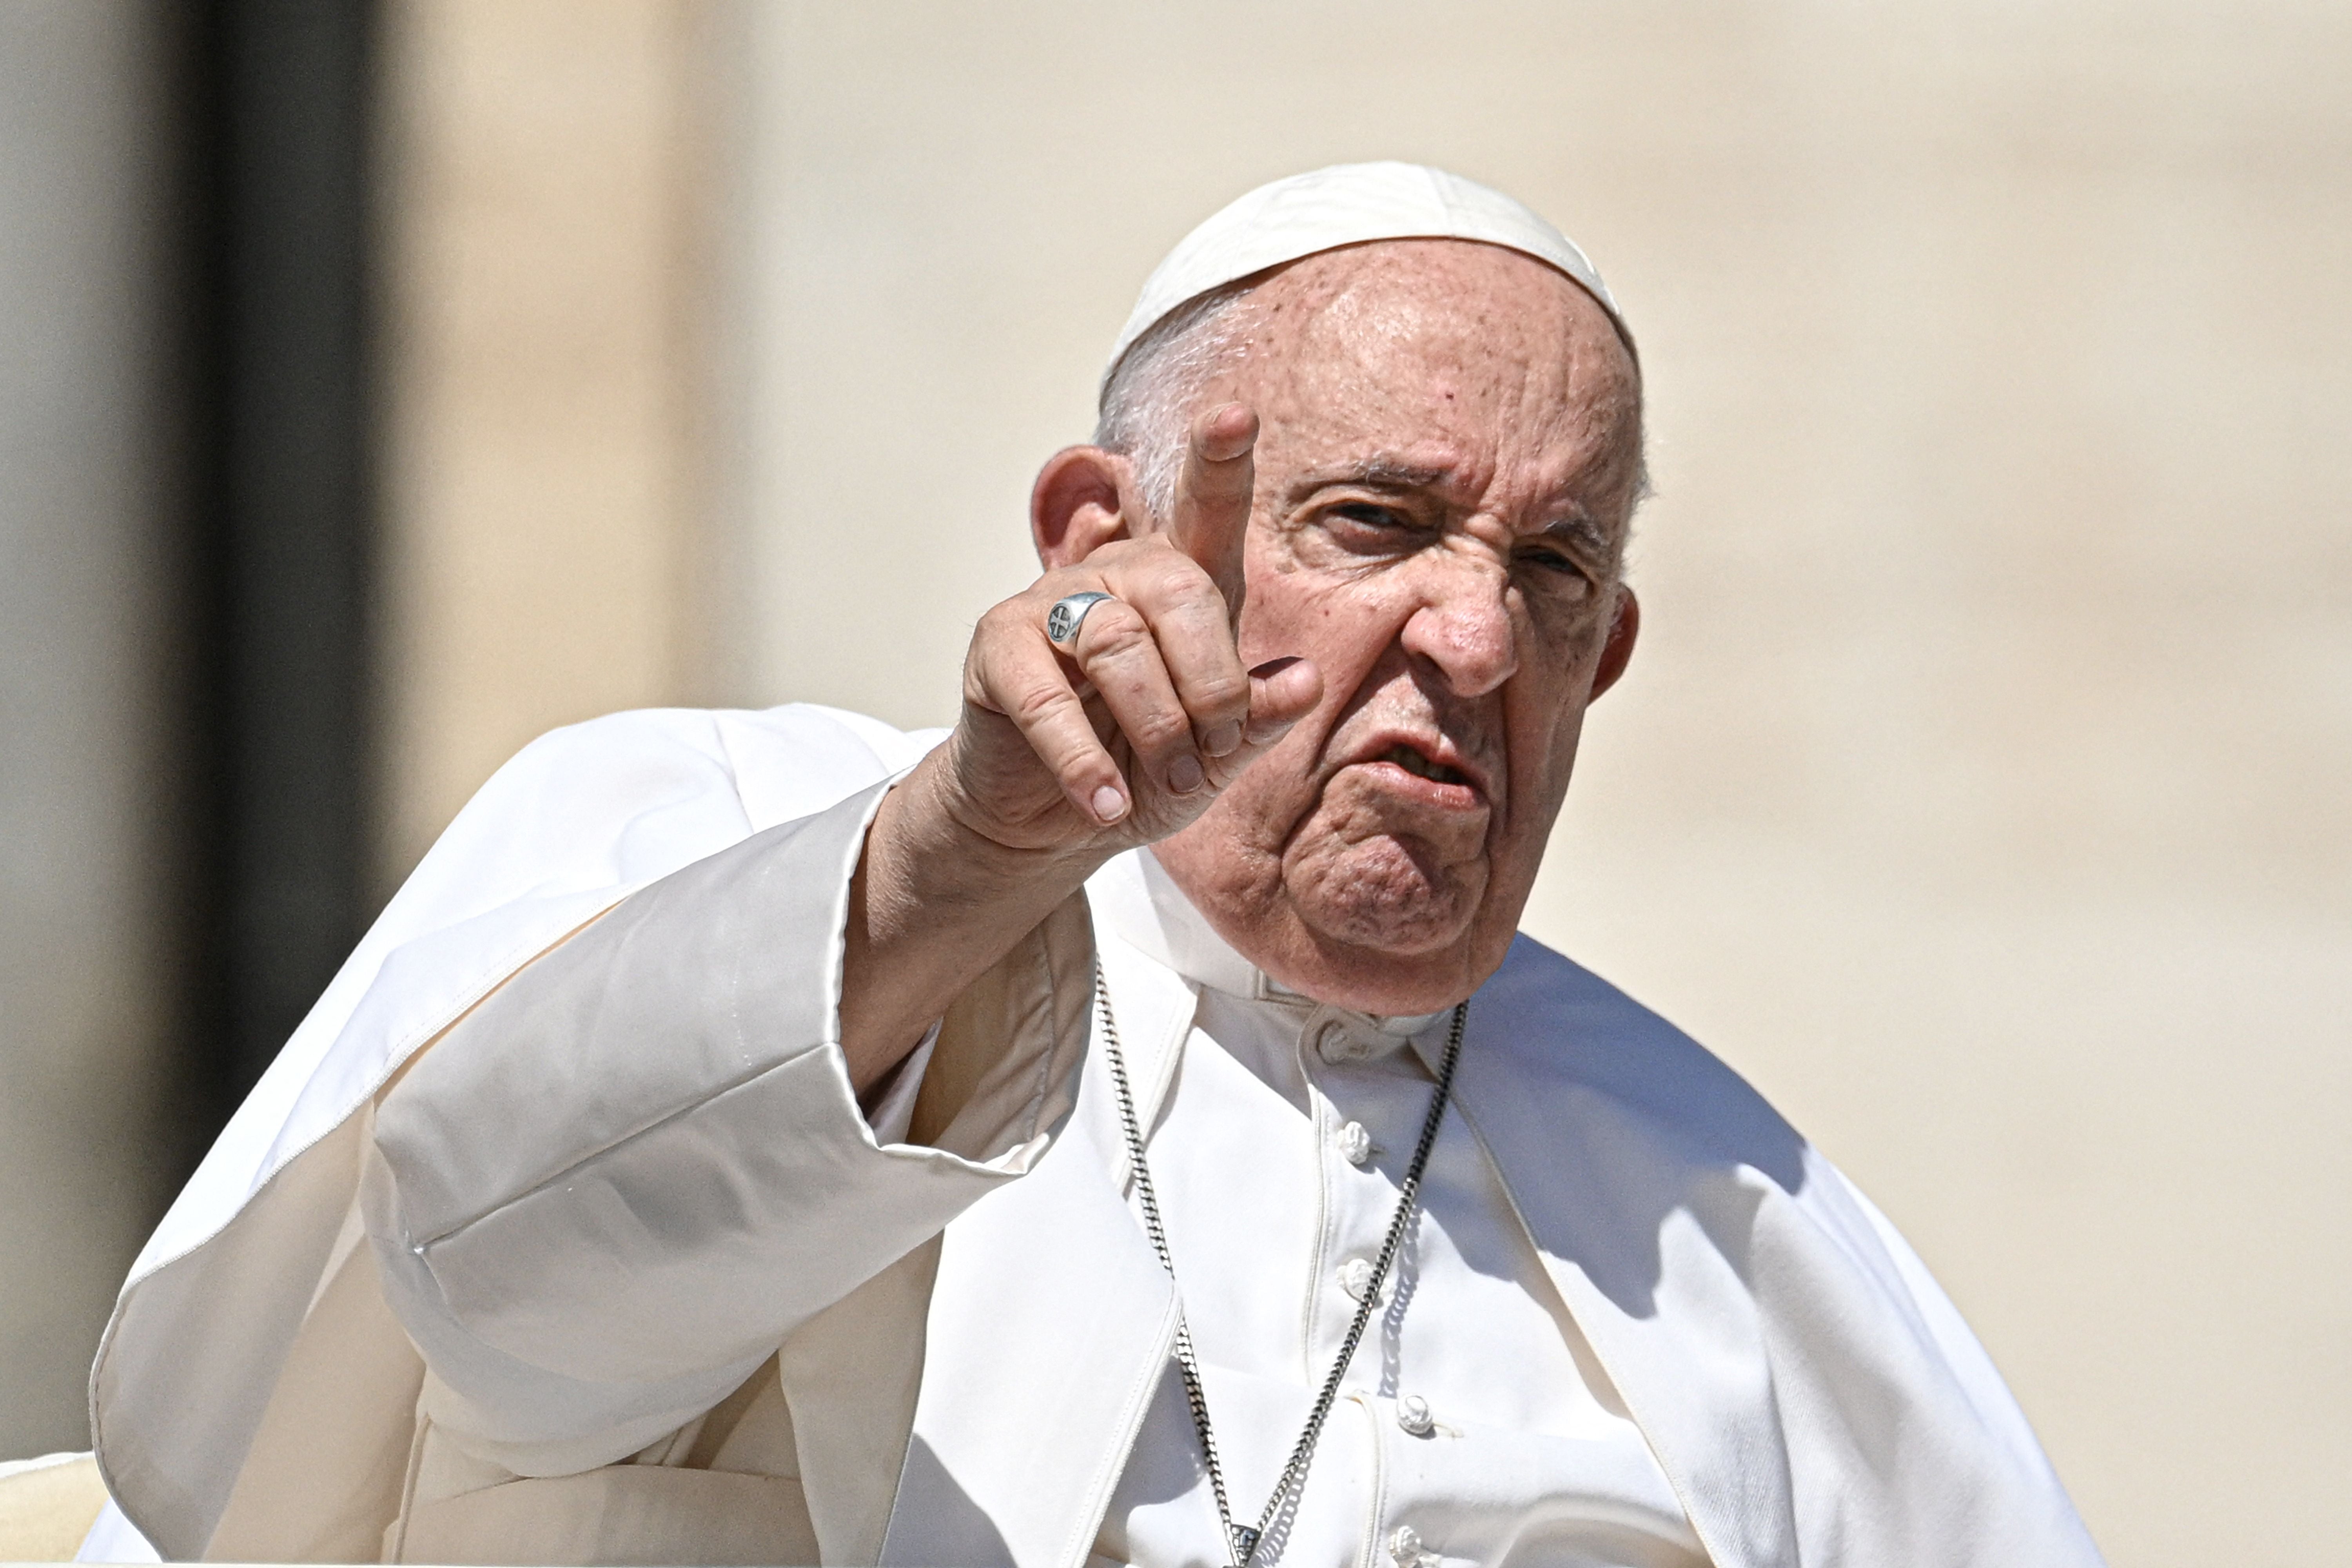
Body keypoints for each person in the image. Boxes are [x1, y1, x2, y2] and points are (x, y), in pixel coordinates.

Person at [74, 163, 2104, 1568]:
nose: (1474, 644)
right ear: (1086, 539)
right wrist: (958, 869)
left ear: (1607, 660)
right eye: (1379, 524)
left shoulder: (1721, 1197)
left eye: (1553, 573)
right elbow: (489, 1284)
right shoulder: (722, 830)